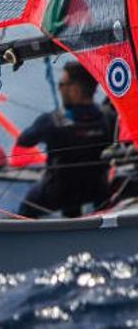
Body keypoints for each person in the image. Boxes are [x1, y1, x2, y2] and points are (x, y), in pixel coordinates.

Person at [15, 61, 113, 217]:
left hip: (58, 194)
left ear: (75, 90)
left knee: (27, 205)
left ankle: (18, 238)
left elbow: (24, 140)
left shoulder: (51, 121)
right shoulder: (108, 117)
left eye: (62, 83)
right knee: (90, 189)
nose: (59, 87)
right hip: (96, 191)